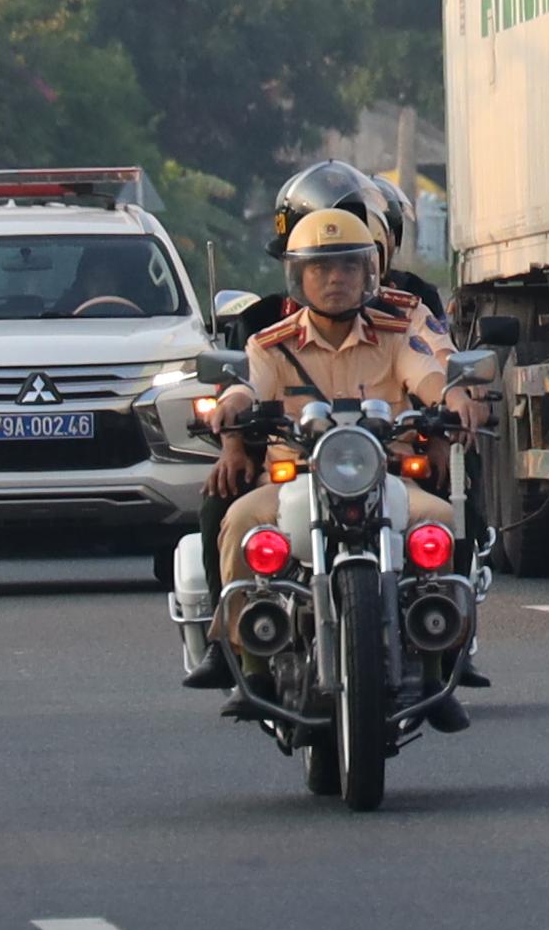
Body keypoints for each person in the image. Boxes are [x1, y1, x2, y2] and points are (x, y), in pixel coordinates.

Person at [198, 200, 484, 724]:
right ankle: (253, 662)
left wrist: (452, 399)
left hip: (387, 479)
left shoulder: (396, 332)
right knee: (239, 521)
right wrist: (232, 405)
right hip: (296, 482)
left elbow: (426, 374)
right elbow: (247, 386)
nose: (336, 279)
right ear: (298, 277)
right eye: (321, 268)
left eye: (349, 267)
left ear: (369, 272)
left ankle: (439, 662)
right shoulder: (269, 344)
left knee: (440, 520)